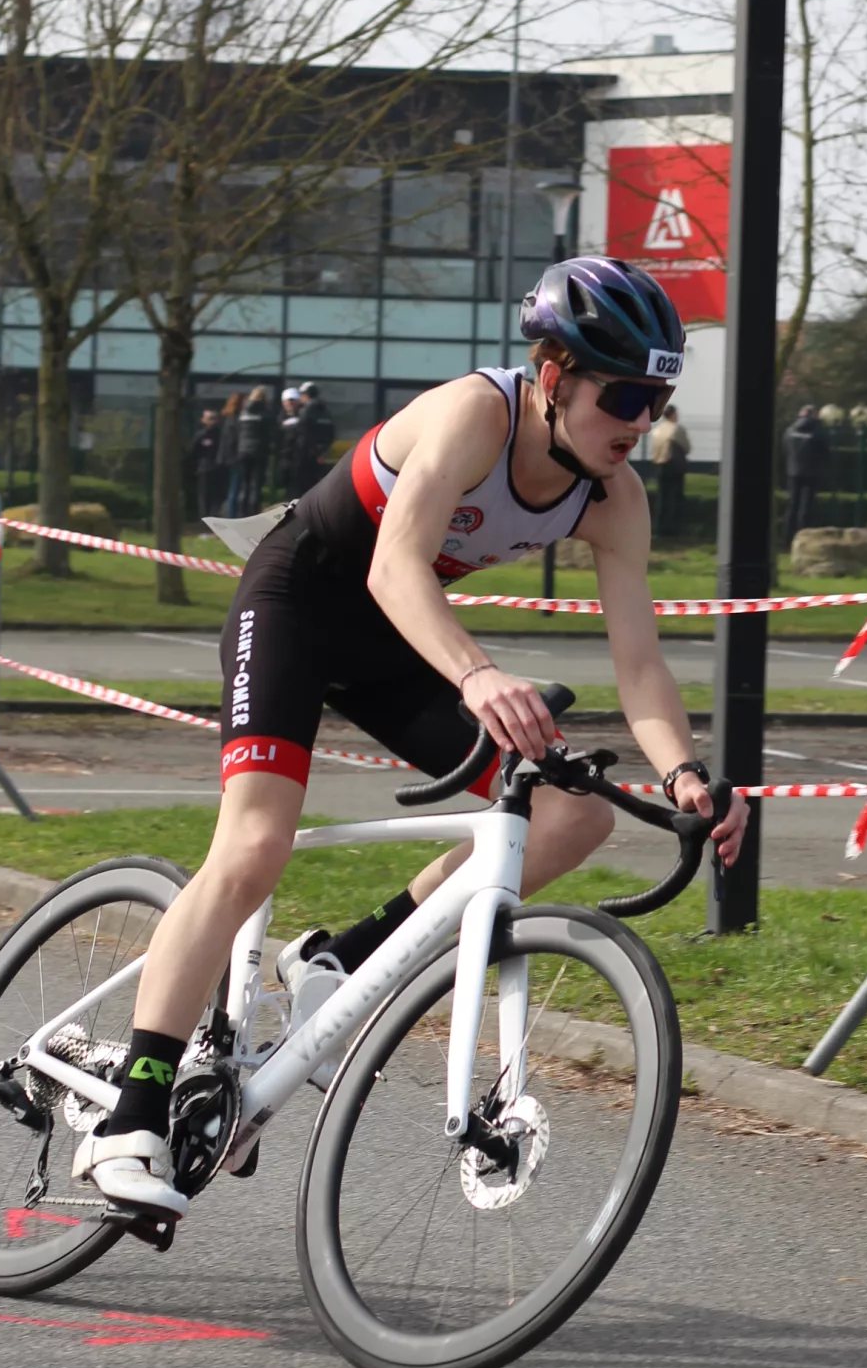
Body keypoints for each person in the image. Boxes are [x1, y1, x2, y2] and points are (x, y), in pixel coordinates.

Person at [72, 254, 748, 1217]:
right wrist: (476, 675)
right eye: (624, 396)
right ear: (552, 375)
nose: (640, 422)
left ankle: (340, 962)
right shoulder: (475, 414)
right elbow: (394, 565)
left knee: (574, 816)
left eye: (658, 401)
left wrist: (685, 774)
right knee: (254, 847)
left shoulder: (614, 499)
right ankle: (129, 1117)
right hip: (299, 604)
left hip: (394, 644)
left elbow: (639, 665)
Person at [781, 402, 830, 546]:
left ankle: (787, 538)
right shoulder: (818, 431)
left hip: (792, 471)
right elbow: (825, 451)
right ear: (814, 415)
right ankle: (803, 538)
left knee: (792, 504)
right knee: (806, 506)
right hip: (812, 472)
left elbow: (785, 448)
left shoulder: (789, 430)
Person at [648, 399, 691, 538]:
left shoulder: (656, 431)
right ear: (673, 414)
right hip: (675, 467)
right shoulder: (677, 429)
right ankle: (674, 530)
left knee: (662, 499)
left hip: (660, 467)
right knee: (676, 498)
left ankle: (659, 529)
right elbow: (687, 448)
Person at [230, 385, 273, 515]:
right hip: (259, 452)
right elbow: (270, 434)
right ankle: (253, 513)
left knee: (244, 484)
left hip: (243, 451)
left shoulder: (243, 413)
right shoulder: (266, 413)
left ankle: (241, 513)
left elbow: (237, 432)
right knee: (256, 485)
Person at [292, 380, 334, 494]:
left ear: (306, 395)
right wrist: (322, 452)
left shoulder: (306, 411)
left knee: (303, 487)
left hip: (306, 455)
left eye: (301, 395)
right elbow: (331, 433)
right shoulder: (326, 411)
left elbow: (303, 434)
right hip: (322, 455)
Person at [192, 407, 224, 517]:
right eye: (210, 418)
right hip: (204, 469)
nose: (213, 421)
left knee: (218, 495)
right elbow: (194, 452)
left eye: (214, 418)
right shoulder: (200, 435)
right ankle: (204, 518)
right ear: (203, 420)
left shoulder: (221, 435)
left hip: (219, 468)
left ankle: (215, 516)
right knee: (204, 496)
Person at [216, 392, 243, 514]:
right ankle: (232, 514)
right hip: (234, 458)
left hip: (227, 458)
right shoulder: (233, 420)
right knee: (234, 488)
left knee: (232, 488)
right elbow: (232, 440)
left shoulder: (227, 419)